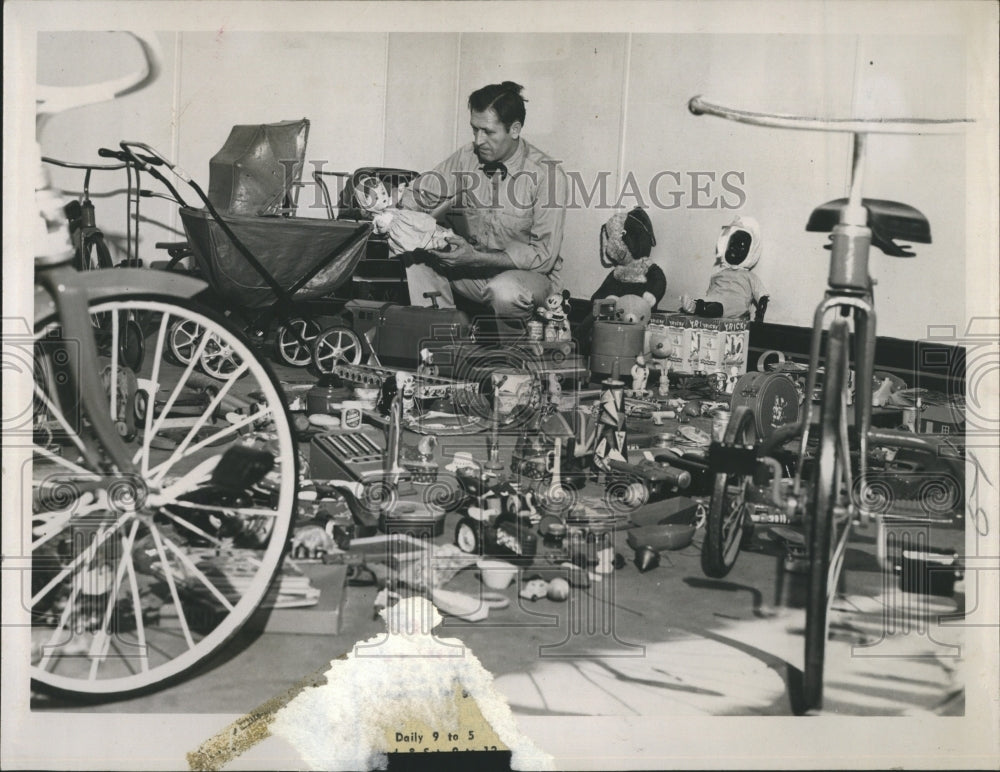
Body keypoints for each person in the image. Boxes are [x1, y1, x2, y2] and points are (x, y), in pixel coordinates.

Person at [397, 81, 568, 334]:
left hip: (527, 280)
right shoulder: (468, 156)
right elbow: (422, 193)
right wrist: (389, 212)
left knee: (505, 290)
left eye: (488, 132)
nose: (478, 140)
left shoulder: (547, 175)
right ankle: (442, 341)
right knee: (416, 252)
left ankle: (517, 358)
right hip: (475, 270)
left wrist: (475, 258)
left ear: (515, 129)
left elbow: (542, 257)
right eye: (474, 130)